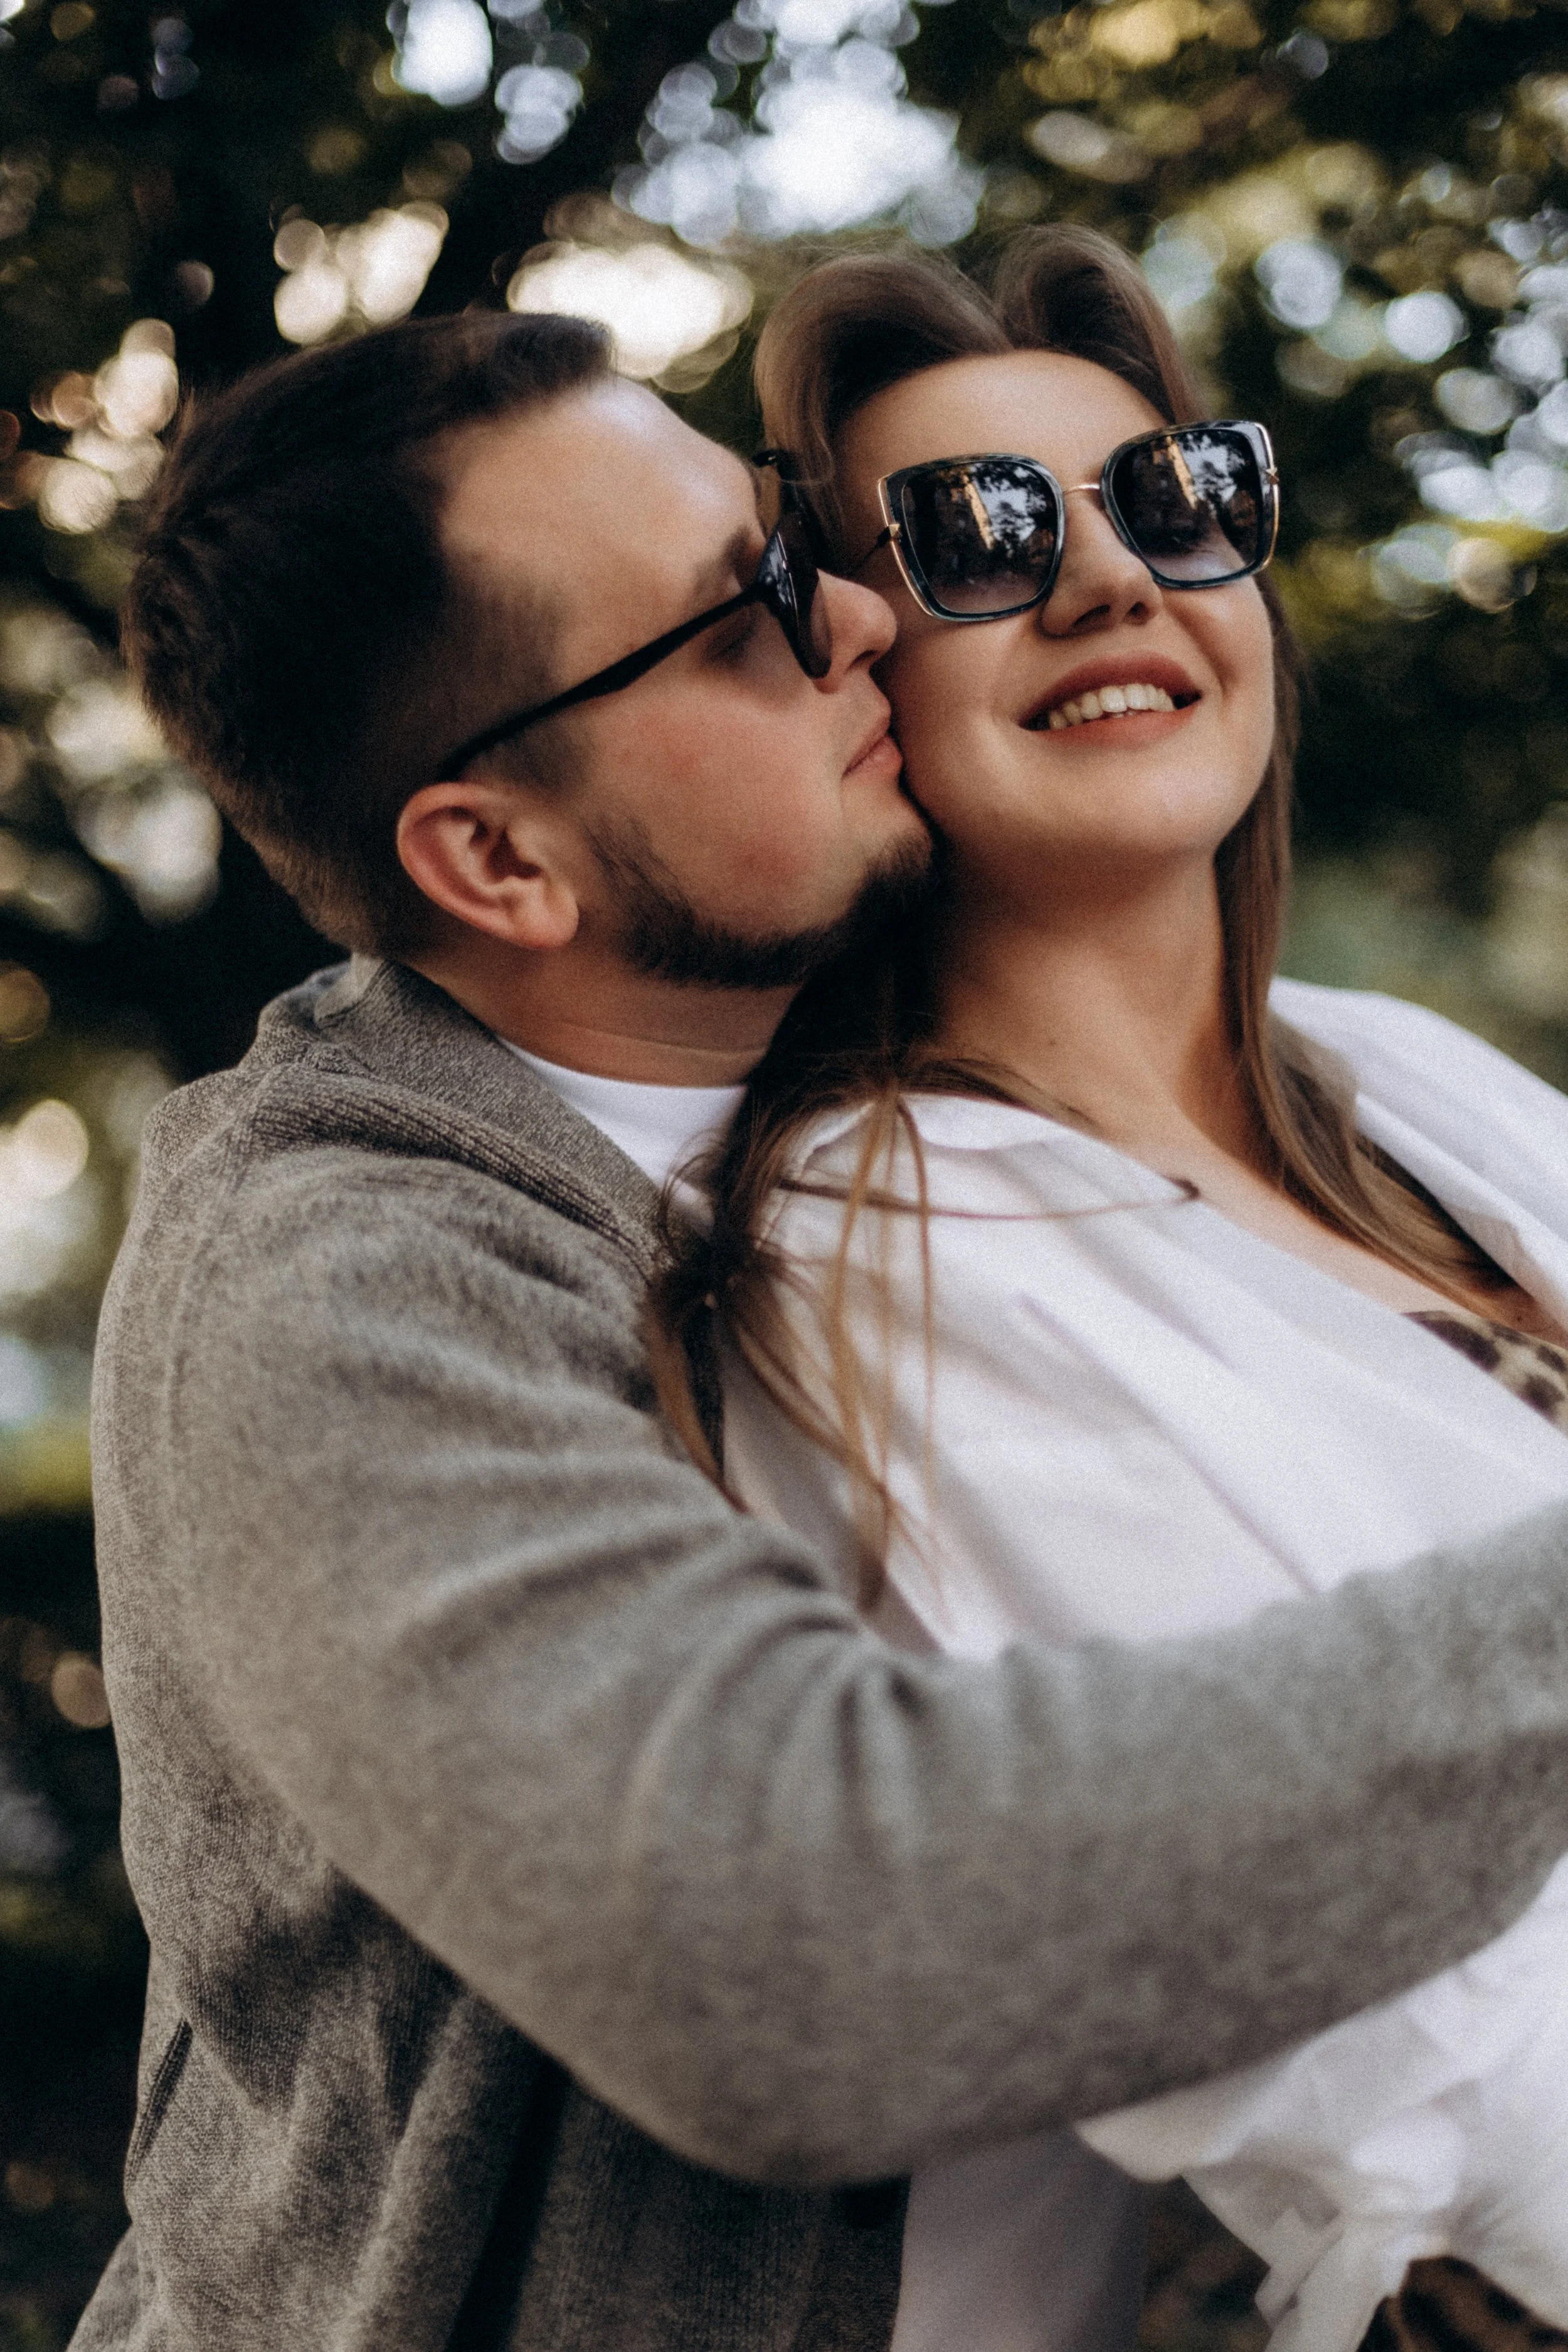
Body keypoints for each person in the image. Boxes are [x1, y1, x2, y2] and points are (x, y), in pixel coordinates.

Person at [75, 304, 1568, 2352]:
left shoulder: (1163, 1085)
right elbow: (794, 1938)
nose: (862, 614)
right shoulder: (338, 1272)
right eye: (744, 610)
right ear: (497, 858)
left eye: (802, 544)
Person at [647, 228, 1568, 2352]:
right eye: (976, 538)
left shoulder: (1402, 1080)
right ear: (844, 674)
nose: (1108, 582)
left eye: (1179, 500)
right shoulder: (870, 1249)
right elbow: (1398, 2055)